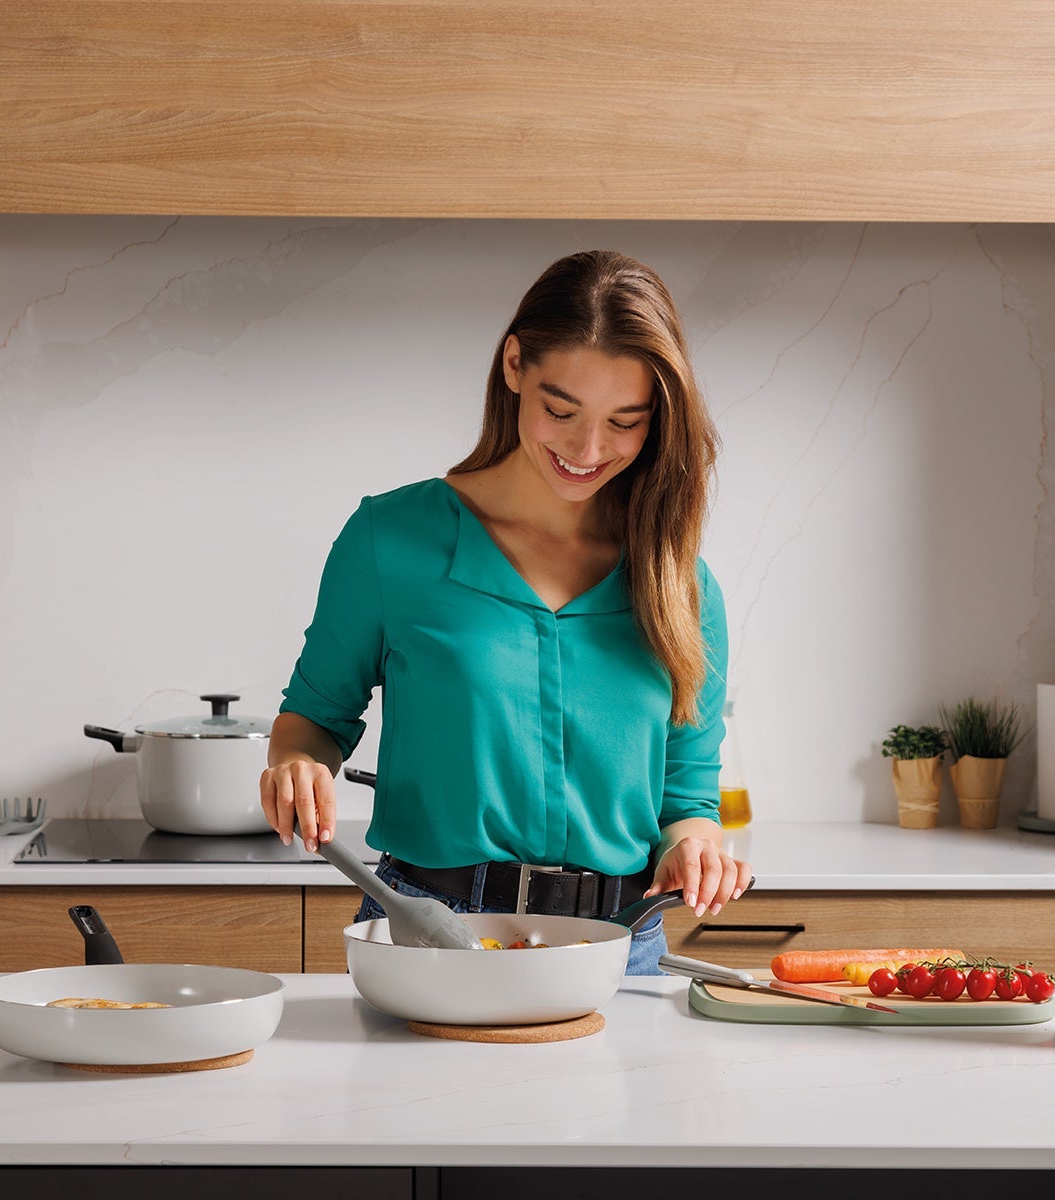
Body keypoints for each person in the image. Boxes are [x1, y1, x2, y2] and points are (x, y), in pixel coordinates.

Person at [260, 249, 747, 977]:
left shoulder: (682, 585)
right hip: (431, 933)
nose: (588, 450)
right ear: (514, 365)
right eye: (561, 409)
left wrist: (694, 844)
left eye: (625, 421)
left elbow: (686, 795)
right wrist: (296, 768)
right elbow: (313, 721)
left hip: (618, 948)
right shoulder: (390, 541)